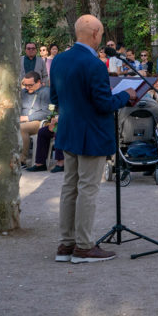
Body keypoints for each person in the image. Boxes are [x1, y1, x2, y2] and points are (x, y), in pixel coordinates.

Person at [50, 15, 136, 263]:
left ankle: (65, 244)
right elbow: (103, 104)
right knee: (87, 189)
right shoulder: (94, 64)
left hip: (68, 130)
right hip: (92, 134)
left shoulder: (59, 59)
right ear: (96, 33)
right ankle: (84, 246)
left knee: (69, 188)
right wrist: (126, 95)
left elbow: (55, 98)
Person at [17, 71, 51, 165]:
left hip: (39, 121)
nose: (27, 88)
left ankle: (21, 160)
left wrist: (27, 118)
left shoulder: (45, 92)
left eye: (30, 85)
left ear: (39, 82)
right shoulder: (23, 92)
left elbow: (47, 113)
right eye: (25, 85)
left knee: (22, 128)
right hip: (22, 119)